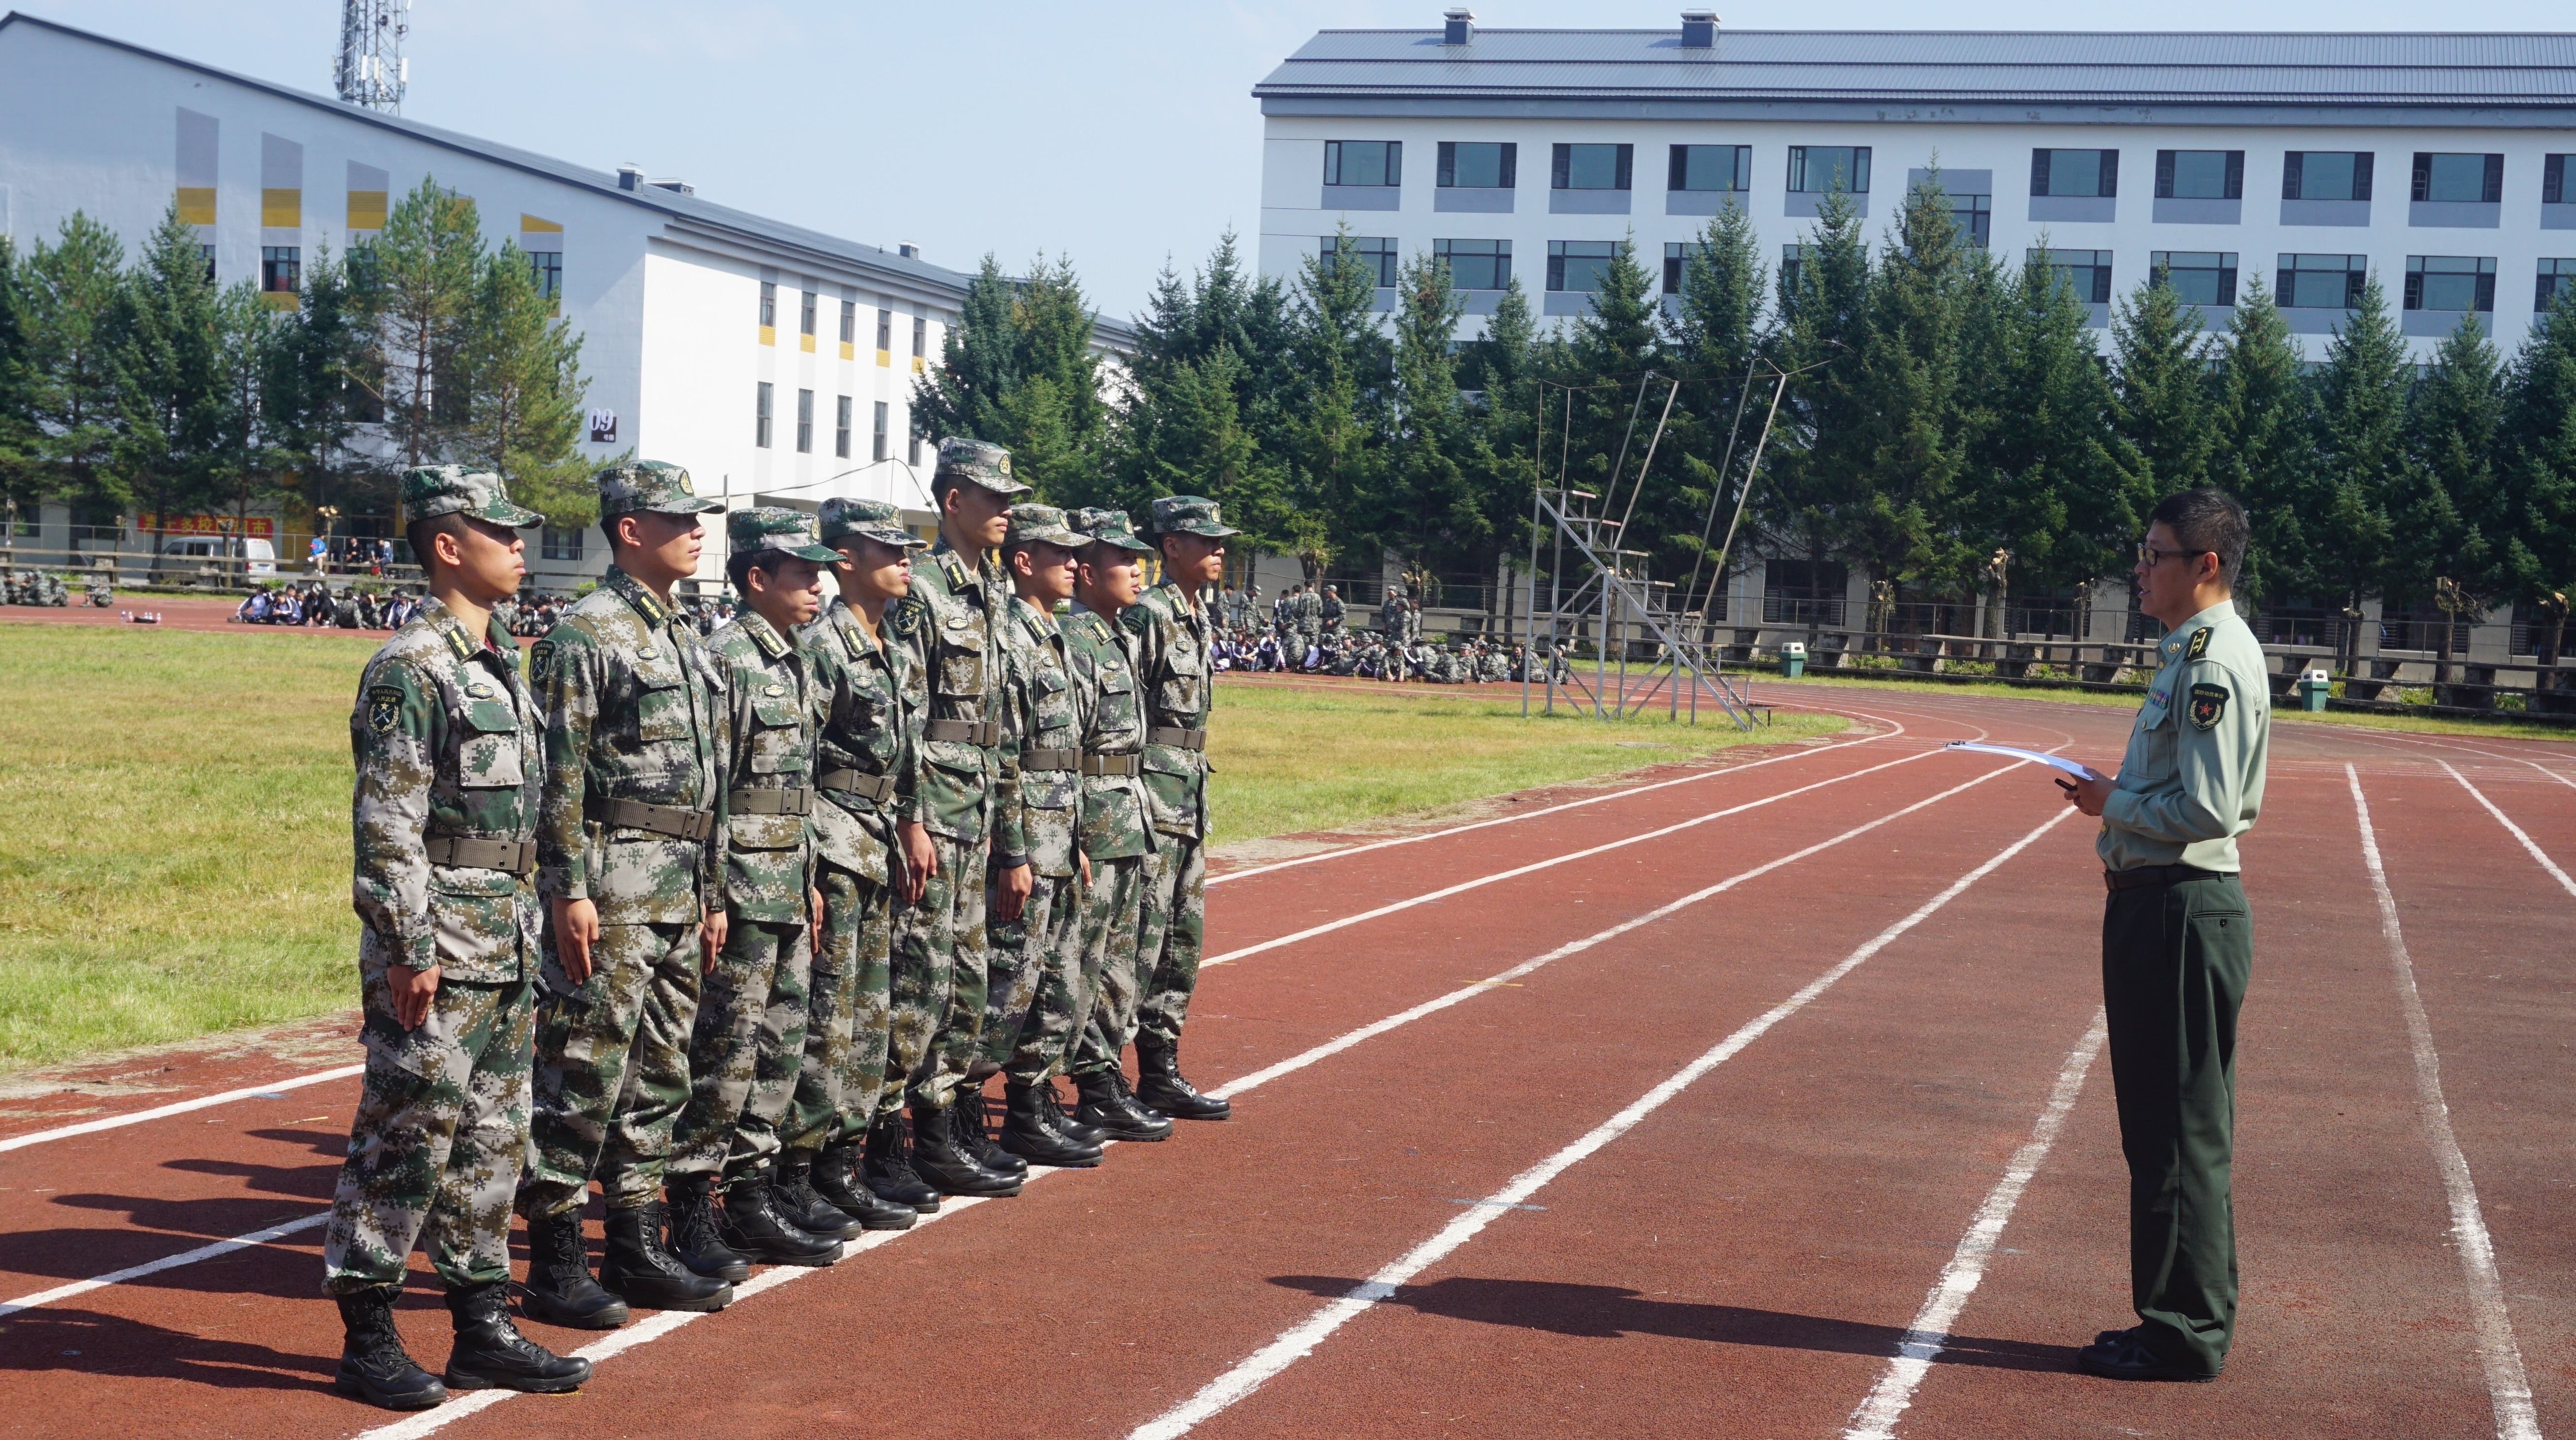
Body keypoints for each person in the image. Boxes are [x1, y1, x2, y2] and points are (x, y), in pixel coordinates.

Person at [322, 465, 589, 1410]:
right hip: (439, 945)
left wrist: (558, 898)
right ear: (448, 545)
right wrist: (408, 947)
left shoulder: (503, 658)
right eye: (501, 532)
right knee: (406, 1139)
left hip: (506, 942)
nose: (521, 547)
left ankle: (481, 1329)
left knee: (493, 1140)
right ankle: (368, 1334)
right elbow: (387, 822)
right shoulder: (412, 667)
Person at [515, 461, 734, 1325]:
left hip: (679, 888)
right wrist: (567, 892)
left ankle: (636, 1244)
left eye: (698, 517)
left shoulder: (682, 630)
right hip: (613, 887)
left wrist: (712, 890)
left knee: (662, 1073)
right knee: (583, 1074)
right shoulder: (586, 635)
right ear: (630, 529)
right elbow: (557, 777)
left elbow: (705, 779)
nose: (697, 530)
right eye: (677, 518)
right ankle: (555, 1259)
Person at [2059, 489, 2269, 1385]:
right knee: (2162, 1129)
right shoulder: (2188, 653)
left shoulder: (2214, 661)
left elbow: (2212, 807)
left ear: (2205, 566)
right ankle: (2172, 1316)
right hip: (2159, 903)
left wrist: (2116, 804)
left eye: (2156, 555)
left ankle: (2183, 1331)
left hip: (2181, 906)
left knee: (2178, 1132)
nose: (2140, 569)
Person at [664, 509, 849, 1277]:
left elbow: (797, 787)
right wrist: (712, 893)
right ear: (756, 579)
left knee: (777, 1048)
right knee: (726, 1054)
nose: (817, 584)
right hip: (741, 883)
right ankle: (690, 1208)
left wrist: (806, 875)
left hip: (785, 878)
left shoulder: (798, 657)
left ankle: (750, 1196)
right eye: (801, 573)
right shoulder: (730, 659)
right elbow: (713, 788)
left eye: (817, 572)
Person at [882, 437, 1029, 1198]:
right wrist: (910, 817)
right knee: (921, 982)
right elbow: (905, 715)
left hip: (979, 806)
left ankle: (942, 1128)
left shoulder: (992, 590)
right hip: (935, 813)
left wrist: (1013, 838)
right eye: (993, 497)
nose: (1006, 510)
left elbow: (998, 723)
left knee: (966, 981)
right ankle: (898, 1141)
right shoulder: (924, 591)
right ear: (952, 502)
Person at [796, 498, 931, 1227]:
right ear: (845, 559)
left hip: (877, 839)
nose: (904, 559)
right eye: (888, 548)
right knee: (829, 1014)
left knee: (868, 1014)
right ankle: (807, 1168)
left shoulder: (894, 647)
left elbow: (905, 756)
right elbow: (797, 761)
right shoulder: (824, 645)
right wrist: (808, 860)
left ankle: (843, 1158)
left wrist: (911, 823)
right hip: (835, 840)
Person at [979, 503, 1107, 1168]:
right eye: (1060, 555)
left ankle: (1030, 1106)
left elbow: (1068, 751)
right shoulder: (1013, 639)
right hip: (1028, 837)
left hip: (1060, 832)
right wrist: (1016, 851)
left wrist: (1076, 837)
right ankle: (969, 1114)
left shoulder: (1053, 633)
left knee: (1055, 981)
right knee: (1009, 985)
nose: (1074, 565)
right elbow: (1006, 754)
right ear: (1024, 561)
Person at [1060, 508, 1175, 1143]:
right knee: (1088, 960)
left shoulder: (1116, 636)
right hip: (1096, 819)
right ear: (1084, 570)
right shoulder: (1076, 642)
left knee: (1120, 962)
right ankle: (1088, 1084)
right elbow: (1064, 748)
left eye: (1138, 557)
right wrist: (1075, 833)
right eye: (1121, 559)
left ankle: (1105, 1079)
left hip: (1128, 812)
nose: (1137, 568)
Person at [1121, 497, 1235, 1121]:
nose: (1218, 550)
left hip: (1187, 793)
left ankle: (1160, 1070)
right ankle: (1103, 1077)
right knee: (1139, 941)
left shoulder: (1196, 615)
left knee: (1180, 942)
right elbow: (1121, 715)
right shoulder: (1150, 615)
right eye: (1206, 540)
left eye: (1220, 541)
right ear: (1170, 546)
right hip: (1153, 795)